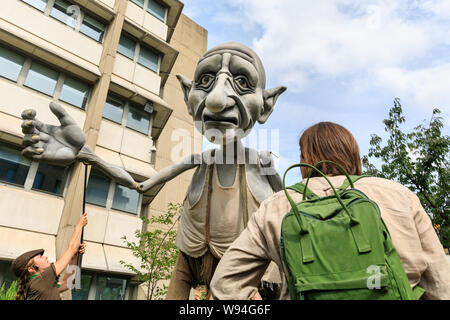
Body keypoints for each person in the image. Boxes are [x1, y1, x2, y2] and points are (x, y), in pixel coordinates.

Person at [209, 122, 450, 300]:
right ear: (354, 155)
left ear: (305, 159)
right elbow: (441, 283)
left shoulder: (277, 205)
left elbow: (225, 285)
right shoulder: (398, 195)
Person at [12, 213, 88, 300]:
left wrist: (75, 256)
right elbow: (72, 248)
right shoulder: (40, 280)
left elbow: (68, 283)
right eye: (40, 257)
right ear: (31, 269)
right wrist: (79, 226)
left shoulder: (41, 283)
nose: (45, 257)